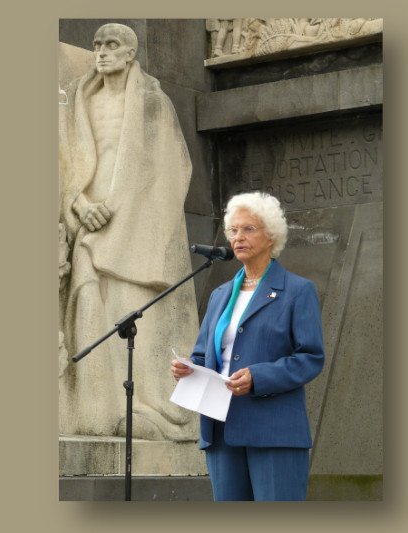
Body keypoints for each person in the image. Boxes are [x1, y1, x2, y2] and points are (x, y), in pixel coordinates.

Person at [58, 23, 199, 441]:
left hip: (135, 226)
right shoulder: (76, 102)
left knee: (133, 312)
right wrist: (80, 205)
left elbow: (172, 170)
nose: (101, 53)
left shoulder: (154, 104)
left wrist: (121, 210)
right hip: (87, 222)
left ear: (130, 54)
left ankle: (136, 404)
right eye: (97, 45)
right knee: (89, 301)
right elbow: (63, 162)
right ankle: (95, 407)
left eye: (111, 46)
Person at [171, 192, 325, 501]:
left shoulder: (297, 291)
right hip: (220, 428)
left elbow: (310, 358)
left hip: (273, 431)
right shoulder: (220, 295)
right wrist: (189, 366)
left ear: (271, 236)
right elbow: (205, 353)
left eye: (248, 229)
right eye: (234, 230)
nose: (238, 237)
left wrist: (258, 377)